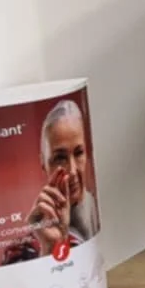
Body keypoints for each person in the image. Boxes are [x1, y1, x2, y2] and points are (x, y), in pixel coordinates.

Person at [28, 99, 99, 250]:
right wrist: (48, 247)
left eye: (79, 153)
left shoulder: (100, 209)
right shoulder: (28, 244)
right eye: (60, 158)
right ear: (43, 162)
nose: (72, 171)